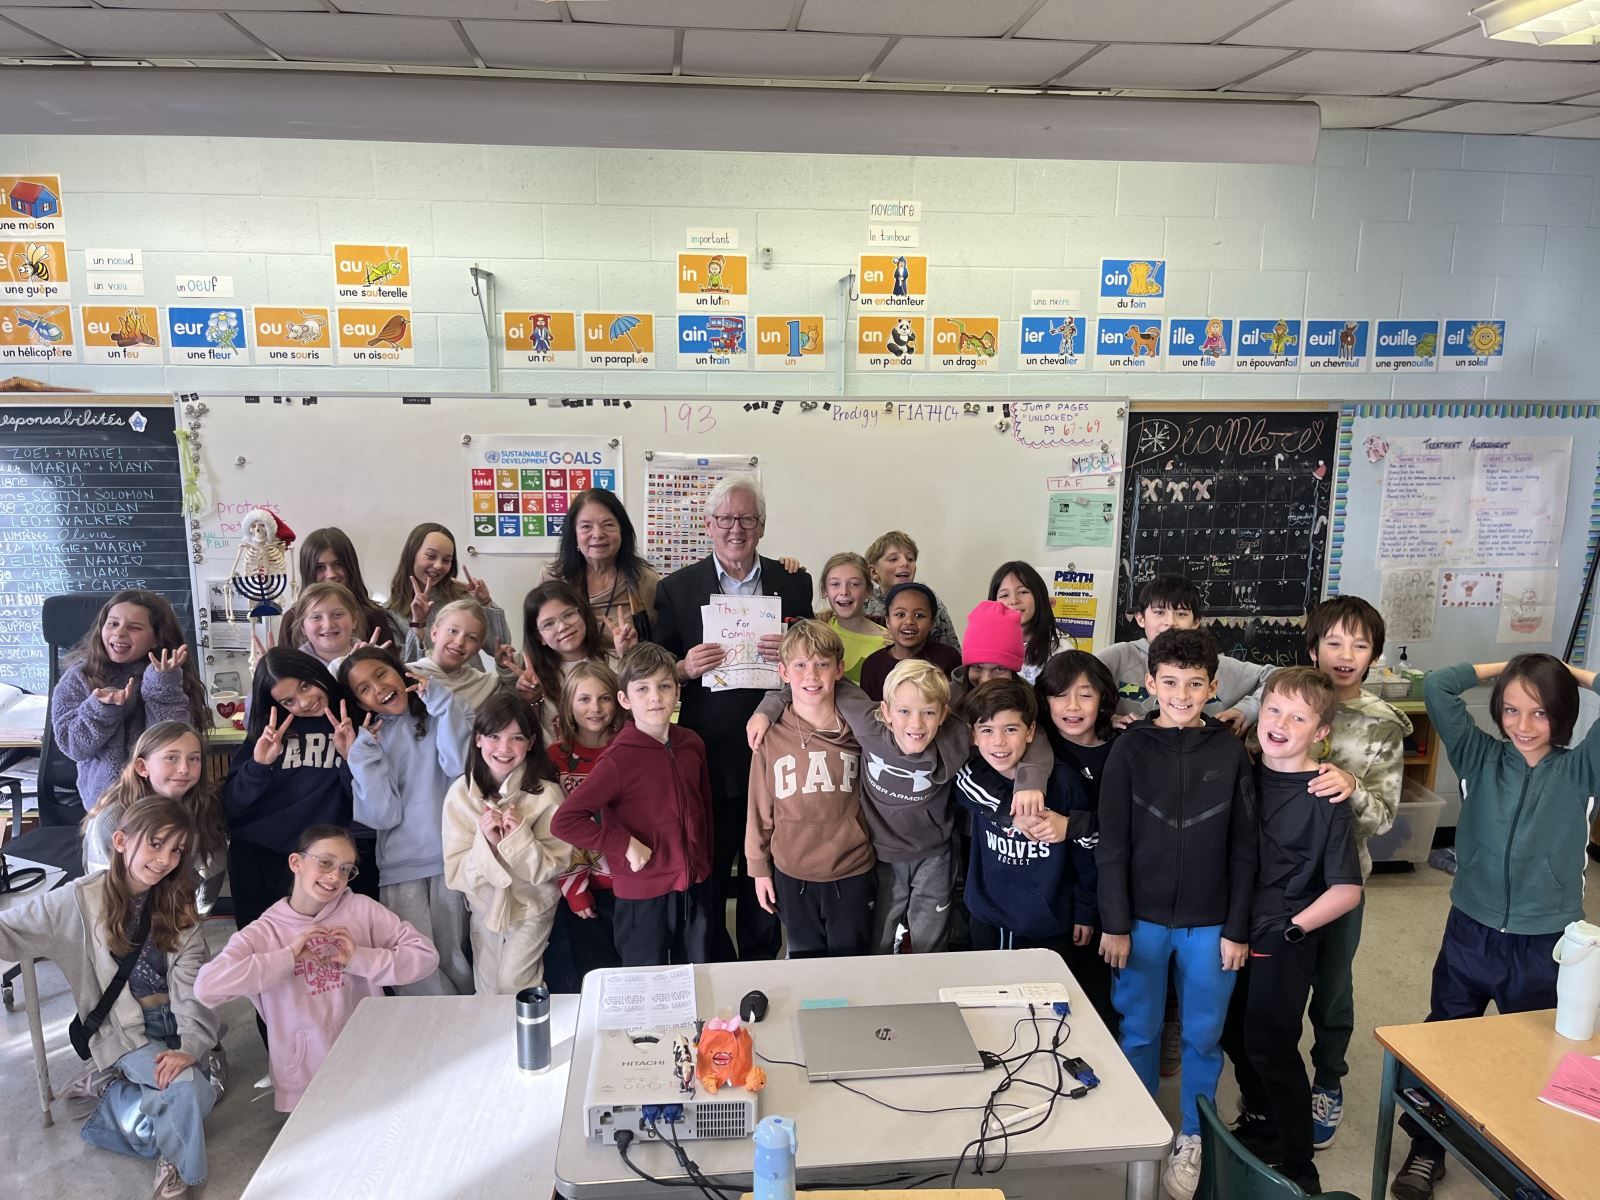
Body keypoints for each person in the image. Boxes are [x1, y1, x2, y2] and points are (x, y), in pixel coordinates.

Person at [1390, 654, 1600, 1200]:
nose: (1523, 726)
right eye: (1511, 709)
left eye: (1540, 712)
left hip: (1547, 943)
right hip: (1470, 931)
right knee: (1445, 1041)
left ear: (1565, 715)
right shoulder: (1479, 754)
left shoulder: (1582, 769)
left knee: (1533, 1054)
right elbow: (1437, 684)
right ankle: (1427, 1146)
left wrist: (1568, 671)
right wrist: (1510, 666)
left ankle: (1524, 1155)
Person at [1097, 627, 1256, 1200]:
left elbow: (1245, 849)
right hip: (1138, 923)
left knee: (1203, 1037)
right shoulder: (1130, 749)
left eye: (1195, 684)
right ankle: (1140, 1131)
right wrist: (1114, 920)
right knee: (1137, 1031)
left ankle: (1194, 1136)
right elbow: (1111, 842)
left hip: (1211, 926)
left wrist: (1237, 928)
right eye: (1169, 682)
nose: (1182, 694)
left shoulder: (1229, 750)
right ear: (1150, 683)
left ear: (1214, 687)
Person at [750, 659, 1051, 956]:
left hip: (934, 856)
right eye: (904, 711)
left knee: (929, 945)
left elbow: (1027, 733)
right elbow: (817, 681)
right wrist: (770, 706)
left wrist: (1031, 782)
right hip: (880, 856)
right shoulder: (867, 721)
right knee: (878, 942)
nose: (916, 724)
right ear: (885, 711)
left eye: (928, 713)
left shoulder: (958, 735)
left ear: (944, 714)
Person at [0, 798, 221, 1199]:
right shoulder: (77, 901)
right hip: (122, 1029)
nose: (165, 860)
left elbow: (193, 983)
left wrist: (191, 1045)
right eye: (155, 844)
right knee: (187, 1095)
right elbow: (9, 932)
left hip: (176, 1021)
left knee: (201, 1097)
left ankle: (110, 1093)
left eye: (176, 850)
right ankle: (180, 1174)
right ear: (120, 841)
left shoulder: (178, 898)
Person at [650, 476, 813, 961]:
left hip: (776, 746)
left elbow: (809, 657)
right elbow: (657, 667)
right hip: (709, 750)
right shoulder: (676, 589)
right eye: (725, 519)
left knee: (767, 863)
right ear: (708, 526)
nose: (735, 529)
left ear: (761, 526)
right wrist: (683, 667)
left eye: (746, 519)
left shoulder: (793, 583)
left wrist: (790, 648)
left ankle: (762, 959)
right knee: (713, 865)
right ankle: (714, 963)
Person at [1221, 668, 1362, 1196]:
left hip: (1282, 937)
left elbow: (1347, 889)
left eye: (1298, 717)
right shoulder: (1242, 771)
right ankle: (1263, 1126)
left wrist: (1291, 931)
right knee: (1234, 1033)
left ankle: (1301, 1166)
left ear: (1320, 731)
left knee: (1271, 1044)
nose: (1280, 723)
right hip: (1229, 928)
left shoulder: (1326, 794)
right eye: (1274, 710)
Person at [193, 825, 437, 1112]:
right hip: (304, 1081)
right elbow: (206, 987)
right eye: (325, 863)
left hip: (371, 1062)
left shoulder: (362, 910)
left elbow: (425, 957)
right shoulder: (264, 932)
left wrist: (359, 959)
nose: (335, 876)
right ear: (296, 863)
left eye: (346, 869)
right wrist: (287, 958)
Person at [1302, 595, 1411, 1149]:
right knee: (1268, 980)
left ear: (1374, 655)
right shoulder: (1284, 696)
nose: (1345, 655)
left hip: (1341, 880)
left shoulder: (1383, 725)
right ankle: (1268, 1075)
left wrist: (1351, 790)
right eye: (1335, 641)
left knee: (1332, 985)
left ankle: (1327, 1079)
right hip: (1276, 877)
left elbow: (1386, 815)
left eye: (1360, 645)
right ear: (1313, 643)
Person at [551, 643, 715, 966]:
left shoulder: (692, 744)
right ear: (625, 699)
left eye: (664, 686)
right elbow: (565, 821)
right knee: (644, 989)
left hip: (692, 891)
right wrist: (623, 843)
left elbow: (704, 809)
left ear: (677, 692)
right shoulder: (618, 758)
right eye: (643, 689)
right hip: (642, 899)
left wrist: (704, 866)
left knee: (694, 981)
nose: (655, 697)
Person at [340, 645, 473, 995]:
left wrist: (444, 707)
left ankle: (468, 1034)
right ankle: (432, 1042)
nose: (377, 688)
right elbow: (382, 816)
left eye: (380, 674)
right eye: (363, 689)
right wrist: (362, 757)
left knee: (456, 957)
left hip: (454, 858)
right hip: (401, 866)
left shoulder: (447, 709)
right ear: (361, 704)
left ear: (400, 671)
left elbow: (460, 770)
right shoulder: (370, 741)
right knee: (412, 964)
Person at [225, 649, 376, 949]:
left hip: (324, 858)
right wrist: (259, 766)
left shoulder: (352, 720)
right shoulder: (269, 732)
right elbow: (232, 804)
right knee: (266, 950)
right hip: (263, 853)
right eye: (288, 700)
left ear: (317, 673)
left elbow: (361, 802)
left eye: (305, 686)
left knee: (333, 950)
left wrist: (351, 759)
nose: (304, 702)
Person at [745, 620, 875, 958]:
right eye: (800, 665)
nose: (812, 675)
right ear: (784, 673)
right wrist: (758, 869)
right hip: (793, 872)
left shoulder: (861, 732)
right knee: (806, 964)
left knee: (852, 963)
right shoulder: (770, 734)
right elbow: (759, 807)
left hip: (852, 869)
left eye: (822, 664)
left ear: (839, 670)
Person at [954, 678, 1098, 970]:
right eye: (986, 730)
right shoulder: (972, 774)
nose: (998, 742)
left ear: (1031, 731)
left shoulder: (1064, 782)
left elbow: (1089, 851)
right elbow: (966, 790)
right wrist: (1013, 813)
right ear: (973, 736)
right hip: (987, 915)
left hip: (1049, 921)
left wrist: (1086, 909)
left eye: (1011, 729)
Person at [442, 692, 570, 993]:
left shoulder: (547, 795)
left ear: (532, 742)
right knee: (487, 987)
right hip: (485, 908)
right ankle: (496, 1040)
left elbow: (554, 867)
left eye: (517, 738)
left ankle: (532, 1038)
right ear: (478, 739)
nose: (504, 748)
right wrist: (484, 842)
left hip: (531, 907)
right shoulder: (460, 794)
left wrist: (520, 838)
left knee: (516, 983)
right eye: (494, 736)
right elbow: (456, 872)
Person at [53, 589, 210, 809]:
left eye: (134, 627)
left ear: (156, 638)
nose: (119, 633)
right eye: (113, 624)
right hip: (106, 804)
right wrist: (100, 710)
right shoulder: (80, 677)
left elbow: (174, 742)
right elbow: (74, 746)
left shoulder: (170, 673)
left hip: (163, 803)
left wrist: (162, 685)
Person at [1031, 650, 1119, 1029]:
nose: (1072, 706)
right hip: (1049, 893)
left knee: (1100, 1000)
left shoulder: (1123, 749)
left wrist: (1076, 827)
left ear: (1102, 700)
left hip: (1106, 894)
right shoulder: (1038, 749)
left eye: (1084, 694)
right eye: (1060, 694)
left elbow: (1132, 826)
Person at [82, 721, 228, 911]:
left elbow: (210, 877)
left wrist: (188, 920)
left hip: (180, 916)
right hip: (121, 917)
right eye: (171, 758)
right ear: (143, 767)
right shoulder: (113, 820)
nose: (184, 768)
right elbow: (102, 892)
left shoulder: (204, 808)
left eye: (194, 759)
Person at [1097, 575, 1271, 732]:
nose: (1170, 622)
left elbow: (1278, 678)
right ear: (1140, 618)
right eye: (1159, 612)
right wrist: (1104, 718)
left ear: (1196, 622)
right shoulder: (1118, 657)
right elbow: (1073, 688)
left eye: (1181, 614)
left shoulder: (1212, 663)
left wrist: (1247, 709)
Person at [545, 661, 624, 987]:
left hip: (632, 884)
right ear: (568, 705)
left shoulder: (629, 748)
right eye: (584, 699)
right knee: (596, 975)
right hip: (582, 888)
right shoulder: (555, 759)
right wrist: (575, 890)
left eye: (604, 698)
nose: (595, 708)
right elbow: (554, 830)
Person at [540, 487, 662, 648]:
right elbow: (539, 643)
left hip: (630, 671)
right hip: (568, 672)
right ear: (574, 534)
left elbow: (663, 648)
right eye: (586, 526)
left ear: (622, 531)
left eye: (608, 524)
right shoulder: (553, 578)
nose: (597, 534)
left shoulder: (645, 580)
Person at [384, 521, 512, 659]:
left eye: (446, 560)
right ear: (411, 555)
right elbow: (407, 668)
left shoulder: (460, 598)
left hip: (471, 680)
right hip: (427, 681)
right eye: (431, 556)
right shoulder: (391, 611)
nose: (439, 565)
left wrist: (485, 603)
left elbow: (502, 649)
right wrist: (417, 624)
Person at [521, 580, 628, 744]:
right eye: (549, 624)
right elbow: (528, 735)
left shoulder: (615, 661)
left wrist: (628, 657)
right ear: (539, 637)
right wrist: (531, 700)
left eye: (569, 614)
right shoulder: (533, 678)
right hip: (557, 766)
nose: (562, 626)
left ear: (583, 614)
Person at [408, 597, 520, 712]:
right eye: (452, 631)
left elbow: (517, 699)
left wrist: (506, 667)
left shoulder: (486, 685)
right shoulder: (409, 675)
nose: (459, 642)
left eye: (472, 637)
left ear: (478, 648)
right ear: (434, 633)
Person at [299, 525, 405, 646]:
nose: (331, 575)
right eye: (320, 567)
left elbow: (390, 663)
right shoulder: (292, 619)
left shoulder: (374, 615)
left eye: (338, 564)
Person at [858, 581, 963, 703]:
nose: (909, 621)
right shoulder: (873, 665)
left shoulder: (948, 657)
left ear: (932, 623)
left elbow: (959, 705)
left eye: (919, 616)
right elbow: (870, 714)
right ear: (888, 621)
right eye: (900, 614)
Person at [862, 530, 960, 650]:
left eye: (910, 559)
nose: (904, 563)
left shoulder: (929, 601)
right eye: (893, 559)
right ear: (874, 572)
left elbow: (951, 652)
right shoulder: (863, 606)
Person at [814, 551, 889, 684]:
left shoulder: (887, 642)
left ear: (868, 591)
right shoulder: (816, 635)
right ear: (824, 591)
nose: (844, 592)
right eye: (835, 584)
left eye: (854, 584)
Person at [988, 561, 1059, 684]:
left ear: (1039, 597)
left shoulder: (1059, 651)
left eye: (1023, 592)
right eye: (1004, 595)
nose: (1014, 600)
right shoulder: (986, 647)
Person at [950, 599, 1025, 708]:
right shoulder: (944, 699)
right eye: (977, 667)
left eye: (999, 669)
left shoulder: (1029, 702)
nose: (986, 679)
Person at [276, 581, 367, 667]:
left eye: (338, 615)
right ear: (302, 627)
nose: (328, 624)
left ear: (354, 620)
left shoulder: (374, 656)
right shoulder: (294, 668)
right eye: (316, 617)